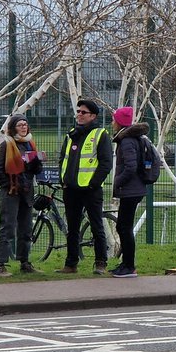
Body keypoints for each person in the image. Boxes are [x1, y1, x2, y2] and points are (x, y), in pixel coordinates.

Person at [58, 98, 112, 275]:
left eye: (83, 112)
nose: (79, 115)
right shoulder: (71, 134)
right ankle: (71, 263)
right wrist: (63, 179)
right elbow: (63, 159)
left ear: (93, 116)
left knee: (97, 226)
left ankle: (100, 262)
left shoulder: (100, 134)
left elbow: (106, 163)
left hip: (90, 191)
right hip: (71, 189)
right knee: (72, 228)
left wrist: (93, 184)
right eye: (78, 112)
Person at [0, 113, 43, 277]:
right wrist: (9, 185)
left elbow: (36, 171)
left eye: (25, 124)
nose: (23, 127)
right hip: (11, 193)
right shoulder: (7, 144)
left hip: (27, 192)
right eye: (20, 125)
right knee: (7, 228)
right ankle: (0, 264)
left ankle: (24, 262)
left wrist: (36, 164)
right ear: (13, 127)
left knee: (26, 229)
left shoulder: (30, 143)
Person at [109, 106, 147, 278]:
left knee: (124, 227)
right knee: (123, 226)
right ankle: (125, 264)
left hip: (130, 190)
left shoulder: (126, 141)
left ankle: (129, 266)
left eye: (113, 120)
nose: (111, 123)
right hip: (133, 189)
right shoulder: (133, 138)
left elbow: (130, 167)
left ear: (119, 122)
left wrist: (118, 181)